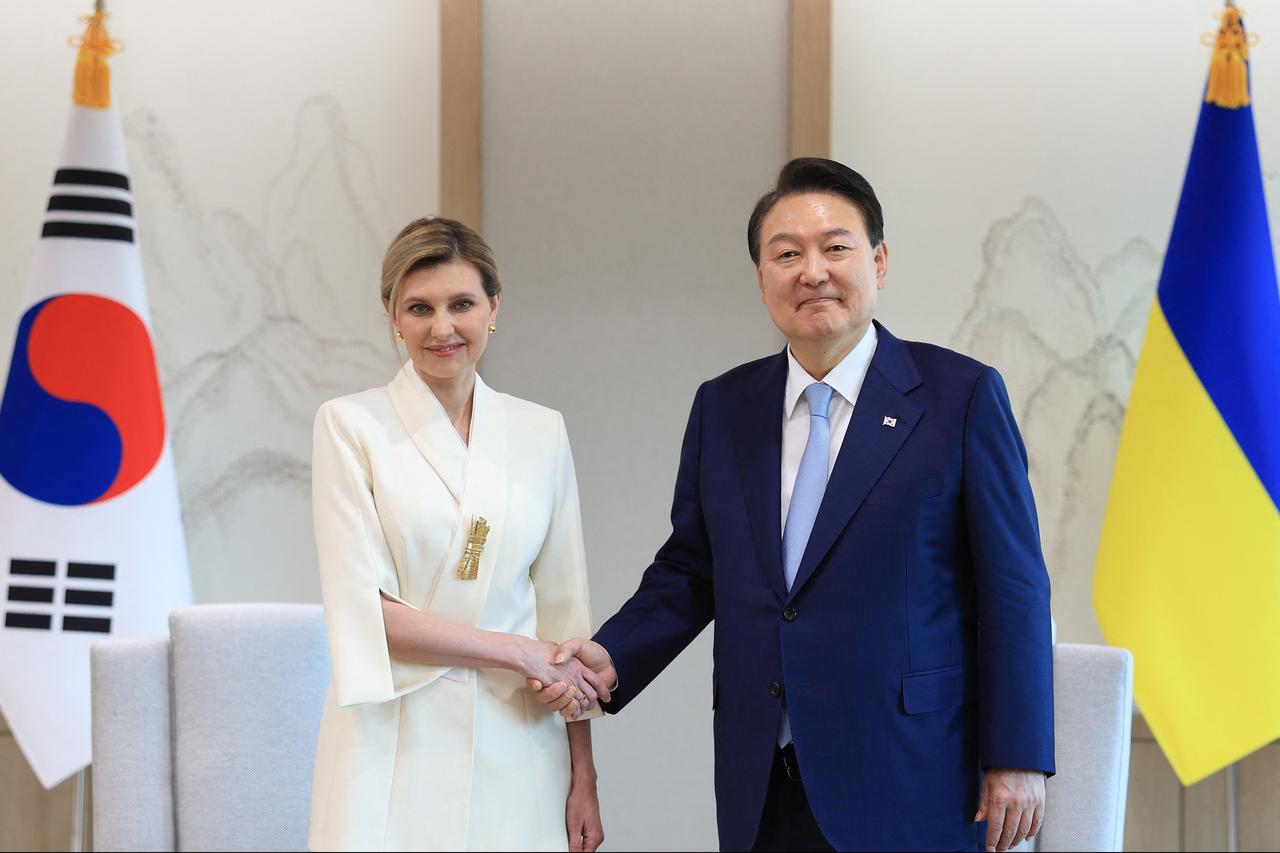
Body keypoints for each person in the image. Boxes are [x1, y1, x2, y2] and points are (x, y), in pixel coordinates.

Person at [533, 159, 1055, 852]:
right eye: (786, 253)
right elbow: (691, 570)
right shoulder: (724, 406)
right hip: (763, 777)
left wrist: (1018, 754)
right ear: (761, 278)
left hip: (912, 771)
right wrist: (610, 656)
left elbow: (1014, 588)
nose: (812, 271)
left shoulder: (958, 397)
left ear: (879, 260)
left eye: (835, 247)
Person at [308, 217, 610, 852]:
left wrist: (583, 773)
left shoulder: (541, 432)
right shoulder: (349, 426)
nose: (442, 328)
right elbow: (365, 611)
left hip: (520, 735)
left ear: (493, 307)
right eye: (419, 308)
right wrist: (517, 650)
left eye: (461, 304)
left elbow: (566, 620)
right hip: (393, 734)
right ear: (392, 315)